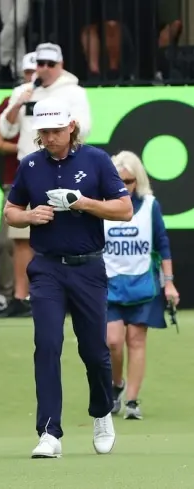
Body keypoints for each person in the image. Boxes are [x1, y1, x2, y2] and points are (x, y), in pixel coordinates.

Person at [3, 97, 133, 459]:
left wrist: (82, 202)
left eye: (57, 131)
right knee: (47, 345)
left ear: (71, 126)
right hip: (46, 268)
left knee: (94, 350)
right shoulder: (30, 165)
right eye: (44, 132)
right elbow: (11, 211)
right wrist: (31, 217)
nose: (51, 138)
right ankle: (49, 432)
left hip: (88, 267)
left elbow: (124, 209)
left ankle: (102, 412)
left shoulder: (96, 160)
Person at [0, 43, 92, 317]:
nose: (45, 69)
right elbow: (5, 128)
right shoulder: (24, 90)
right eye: (41, 63)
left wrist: (58, 120)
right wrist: (18, 102)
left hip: (65, 165)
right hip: (31, 168)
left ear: (60, 65)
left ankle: (68, 296)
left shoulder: (73, 92)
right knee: (20, 237)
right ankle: (21, 297)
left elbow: (85, 127)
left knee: (68, 231)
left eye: (51, 64)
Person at [104, 151, 179, 420]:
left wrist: (168, 283)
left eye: (129, 180)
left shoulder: (149, 205)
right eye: (119, 180)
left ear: (138, 179)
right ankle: (116, 385)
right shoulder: (100, 205)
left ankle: (133, 401)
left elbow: (162, 244)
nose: (124, 185)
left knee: (136, 340)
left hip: (142, 284)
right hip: (109, 284)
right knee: (112, 341)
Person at [0, 52, 38, 319]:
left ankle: (39, 297)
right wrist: (26, 148)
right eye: (29, 73)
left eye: (36, 72)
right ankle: (6, 298)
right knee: (9, 242)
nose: (33, 77)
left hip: (48, 180)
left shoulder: (55, 101)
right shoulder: (11, 100)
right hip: (15, 180)